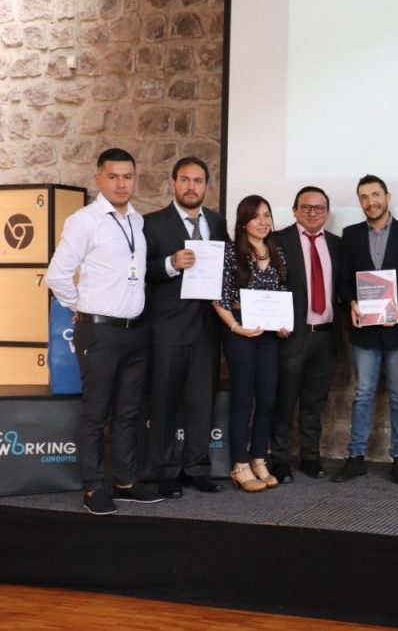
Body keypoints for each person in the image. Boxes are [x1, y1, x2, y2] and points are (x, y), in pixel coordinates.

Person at [46, 147, 163, 514]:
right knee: (96, 411)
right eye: (113, 176)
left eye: (127, 176)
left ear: (135, 179)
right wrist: (78, 307)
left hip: (135, 330)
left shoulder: (137, 221)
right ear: (98, 178)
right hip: (100, 332)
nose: (121, 183)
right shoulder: (84, 221)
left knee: (129, 411)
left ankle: (125, 481)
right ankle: (94, 486)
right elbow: (57, 275)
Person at [143, 156, 229, 498]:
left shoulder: (217, 222)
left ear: (206, 185)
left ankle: (197, 468)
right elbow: (139, 271)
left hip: (207, 330)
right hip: (167, 329)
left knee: (200, 403)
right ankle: (165, 471)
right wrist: (170, 263)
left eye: (198, 181)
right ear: (174, 183)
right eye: (185, 180)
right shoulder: (152, 224)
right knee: (164, 403)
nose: (192, 186)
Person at [334, 175, 398, 484]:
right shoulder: (350, 234)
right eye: (364, 197)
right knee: (363, 393)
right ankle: (356, 456)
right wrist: (351, 302)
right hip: (365, 329)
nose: (371, 202)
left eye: (375, 194)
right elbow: (344, 279)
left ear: (387, 196)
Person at [212, 195, 291, 492]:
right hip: (240, 334)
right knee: (243, 399)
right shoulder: (232, 253)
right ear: (243, 222)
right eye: (256, 216)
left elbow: (281, 294)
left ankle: (259, 458)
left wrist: (283, 325)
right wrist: (235, 327)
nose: (263, 221)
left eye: (267, 215)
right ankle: (240, 464)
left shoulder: (277, 251)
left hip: (269, 336)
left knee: (268, 398)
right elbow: (218, 298)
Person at [270, 187, 344, 483]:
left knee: (315, 402)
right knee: (285, 400)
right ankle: (280, 459)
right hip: (291, 335)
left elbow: (344, 288)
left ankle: (310, 457)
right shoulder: (278, 241)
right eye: (306, 207)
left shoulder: (337, 245)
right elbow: (269, 286)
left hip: (326, 336)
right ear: (294, 210)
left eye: (319, 208)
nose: (313, 213)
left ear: (327, 212)